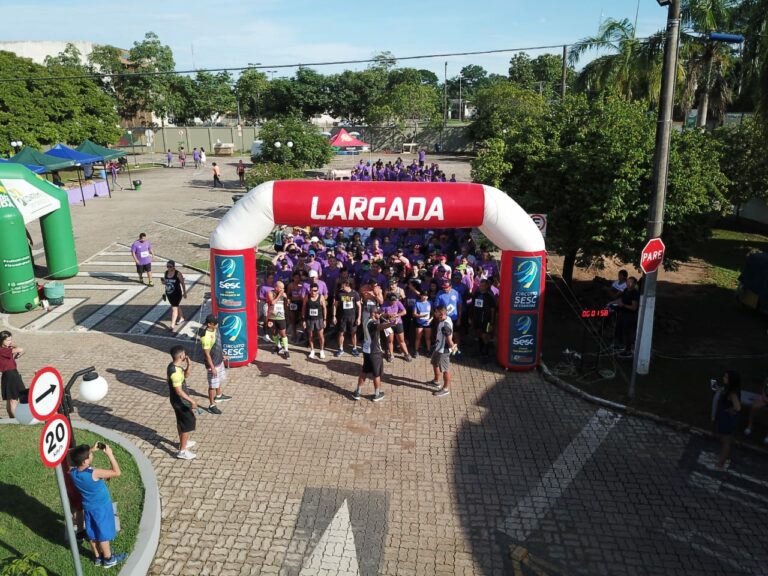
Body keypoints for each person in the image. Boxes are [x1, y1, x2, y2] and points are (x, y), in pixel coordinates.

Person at [68, 443, 128, 567]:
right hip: (101, 507)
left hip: (88, 507)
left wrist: (91, 450)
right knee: (103, 533)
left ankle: (97, 557)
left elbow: (71, 459)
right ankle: (108, 559)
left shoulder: (73, 472)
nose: (91, 454)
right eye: (90, 454)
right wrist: (110, 455)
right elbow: (117, 472)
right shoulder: (94, 473)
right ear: (85, 461)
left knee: (92, 532)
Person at [353, 307, 395, 402]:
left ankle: (358, 392)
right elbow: (379, 327)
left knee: (364, 371)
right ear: (373, 313)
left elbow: (379, 320)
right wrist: (391, 324)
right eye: (378, 313)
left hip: (366, 350)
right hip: (375, 352)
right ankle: (377, 394)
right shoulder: (373, 323)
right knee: (376, 374)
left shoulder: (366, 320)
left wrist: (387, 317)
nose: (379, 315)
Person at [167, 345, 198, 459]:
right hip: (181, 403)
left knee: (181, 422)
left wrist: (189, 365)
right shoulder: (174, 372)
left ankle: (183, 442)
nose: (185, 355)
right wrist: (192, 401)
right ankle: (182, 451)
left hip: (177, 401)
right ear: (181, 356)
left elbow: (186, 376)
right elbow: (179, 391)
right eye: (184, 354)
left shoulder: (175, 366)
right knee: (187, 425)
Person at [200, 315, 232, 415]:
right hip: (212, 365)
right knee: (212, 386)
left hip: (219, 361)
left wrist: (222, 356)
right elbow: (207, 354)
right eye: (215, 323)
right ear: (210, 324)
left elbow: (217, 344)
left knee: (217, 381)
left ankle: (219, 396)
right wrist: (212, 367)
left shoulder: (214, 329)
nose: (218, 324)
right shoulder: (205, 337)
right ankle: (212, 405)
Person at [714, 370, 742, 468]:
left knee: (726, 442)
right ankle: (721, 458)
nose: (723, 378)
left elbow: (737, 407)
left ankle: (721, 463)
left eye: (726, 377)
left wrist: (730, 409)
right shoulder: (729, 388)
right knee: (725, 439)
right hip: (725, 418)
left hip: (728, 419)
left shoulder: (732, 393)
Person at [429, 305, 455, 398]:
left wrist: (452, 346)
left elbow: (449, 340)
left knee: (445, 370)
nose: (434, 313)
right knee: (434, 363)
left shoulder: (445, 326)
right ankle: (436, 381)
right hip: (438, 348)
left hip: (443, 351)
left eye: (436, 312)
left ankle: (445, 389)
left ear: (441, 314)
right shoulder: (446, 318)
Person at [611, 276, 640, 358]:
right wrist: (611, 303)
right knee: (619, 329)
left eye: (631, 282)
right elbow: (621, 300)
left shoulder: (635, 293)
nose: (628, 283)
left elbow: (634, 307)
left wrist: (623, 305)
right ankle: (619, 345)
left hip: (630, 315)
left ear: (634, 284)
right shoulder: (625, 290)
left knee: (628, 333)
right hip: (622, 314)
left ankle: (628, 350)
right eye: (628, 281)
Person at [333, 280, 361, 357]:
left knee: (353, 333)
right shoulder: (339, 293)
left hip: (352, 317)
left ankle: (354, 348)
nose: (341, 286)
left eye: (343, 285)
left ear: (347, 285)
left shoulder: (355, 294)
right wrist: (334, 316)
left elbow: (359, 306)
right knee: (341, 333)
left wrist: (359, 318)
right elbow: (335, 305)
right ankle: (341, 349)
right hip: (342, 317)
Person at [0, 331, 25, 418]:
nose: (9, 342)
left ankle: (11, 419)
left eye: (10, 339)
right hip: (11, 375)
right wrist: (13, 345)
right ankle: (16, 420)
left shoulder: (5, 350)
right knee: (13, 400)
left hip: (7, 375)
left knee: (9, 400)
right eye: (7, 340)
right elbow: (20, 349)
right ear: (1, 340)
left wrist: (10, 347)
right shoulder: (4, 350)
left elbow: (20, 352)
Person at [381, 293, 412, 362]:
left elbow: (404, 311)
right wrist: (388, 314)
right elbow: (381, 315)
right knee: (390, 341)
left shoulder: (398, 302)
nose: (394, 302)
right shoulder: (385, 304)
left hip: (398, 323)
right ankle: (391, 355)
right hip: (388, 324)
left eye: (394, 301)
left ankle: (406, 354)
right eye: (392, 301)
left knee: (401, 340)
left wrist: (397, 315)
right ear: (388, 300)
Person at [470, 279, 496, 358]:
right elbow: (473, 306)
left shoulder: (490, 296)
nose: (481, 287)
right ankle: (480, 351)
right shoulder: (476, 294)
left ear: (487, 286)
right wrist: (471, 317)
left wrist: (492, 322)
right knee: (478, 335)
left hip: (486, 320)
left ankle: (486, 353)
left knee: (485, 336)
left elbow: (493, 310)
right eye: (480, 285)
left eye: (483, 286)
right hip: (477, 319)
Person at [302, 284, 327, 359]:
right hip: (309, 319)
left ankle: (321, 350)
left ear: (318, 290)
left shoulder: (321, 297)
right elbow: (303, 308)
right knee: (310, 335)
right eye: (312, 290)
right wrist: (303, 320)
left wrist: (325, 319)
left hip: (319, 319)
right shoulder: (307, 297)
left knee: (320, 335)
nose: (313, 292)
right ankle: (312, 350)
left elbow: (324, 308)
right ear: (310, 290)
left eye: (315, 290)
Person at [267, 280, 291, 358]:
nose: (282, 290)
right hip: (272, 317)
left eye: (283, 288)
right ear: (276, 287)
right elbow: (273, 303)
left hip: (281, 317)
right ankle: (279, 346)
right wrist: (279, 295)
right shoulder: (270, 293)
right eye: (281, 288)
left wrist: (287, 299)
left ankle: (286, 350)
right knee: (274, 333)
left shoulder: (283, 294)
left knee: (283, 333)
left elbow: (287, 304)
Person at [163, 260, 187, 330]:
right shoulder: (166, 273)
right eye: (167, 266)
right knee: (176, 306)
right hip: (169, 293)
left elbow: (182, 283)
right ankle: (181, 318)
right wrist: (163, 282)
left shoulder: (178, 273)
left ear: (174, 267)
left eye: (170, 266)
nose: (168, 268)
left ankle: (172, 325)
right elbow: (166, 282)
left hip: (177, 293)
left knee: (174, 308)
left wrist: (184, 292)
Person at [744, 376, 768, 445]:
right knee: (754, 407)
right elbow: (764, 389)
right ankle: (750, 425)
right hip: (765, 398)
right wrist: (764, 397)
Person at [412, 291, 432, 359]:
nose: (424, 297)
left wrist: (430, 320)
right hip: (419, 323)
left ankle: (429, 351)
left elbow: (433, 314)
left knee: (428, 338)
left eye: (426, 296)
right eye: (423, 295)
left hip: (427, 323)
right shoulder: (417, 303)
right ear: (420, 296)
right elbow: (414, 314)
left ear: (428, 296)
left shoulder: (430, 303)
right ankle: (416, 351)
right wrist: (420, 316)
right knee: (418, 337)